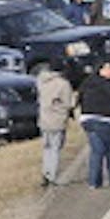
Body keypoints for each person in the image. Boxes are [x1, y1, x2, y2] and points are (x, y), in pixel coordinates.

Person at [77, 59, 110, 188]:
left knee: (97, 150)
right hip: (107, 120)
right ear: (101, 70)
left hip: (88, 119)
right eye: (109, 68)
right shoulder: (108, 84)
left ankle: (94, 181)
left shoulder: (88, 82)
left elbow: (79, 97)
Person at [38, 58, 75, 187]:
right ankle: (52, 175)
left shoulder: (41, 81)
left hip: (43, 119)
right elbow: (69, 103)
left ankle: (45, 172)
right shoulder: (63, 84)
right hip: (57, 120)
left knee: (46, 147)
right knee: (55, 148)